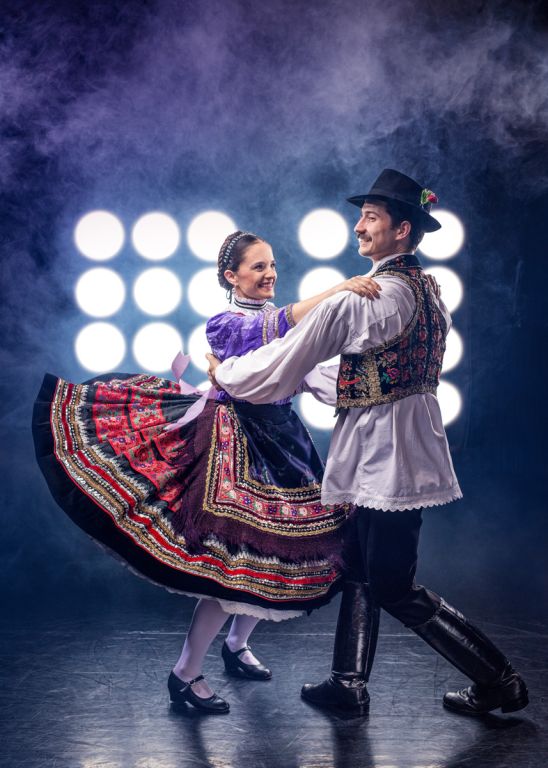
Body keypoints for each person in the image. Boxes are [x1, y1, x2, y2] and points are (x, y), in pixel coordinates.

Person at [207, 170, 529, 717]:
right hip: (397, 449)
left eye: (371, 218)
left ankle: (500, 681)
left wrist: (226, 373)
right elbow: (362, 375)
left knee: (393, 585)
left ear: (401, 229)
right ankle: (348, 684)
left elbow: (285, 362)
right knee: (357, 565)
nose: (359, 226)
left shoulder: (367, 298)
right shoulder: (428, 292)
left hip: (386, 457)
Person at [32, 229, 381, 715]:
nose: (270, 274)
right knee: (229, 564)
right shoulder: (225, 325)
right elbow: (273, 329)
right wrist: (340, 289)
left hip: (284, 441)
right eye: (258, 266)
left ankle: (236, 645)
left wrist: (375, 394)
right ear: (231, 276)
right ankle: (185, 673)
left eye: (272, 265)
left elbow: (311, 373)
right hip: (232, 439)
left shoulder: (288, 327)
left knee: (274, 556)